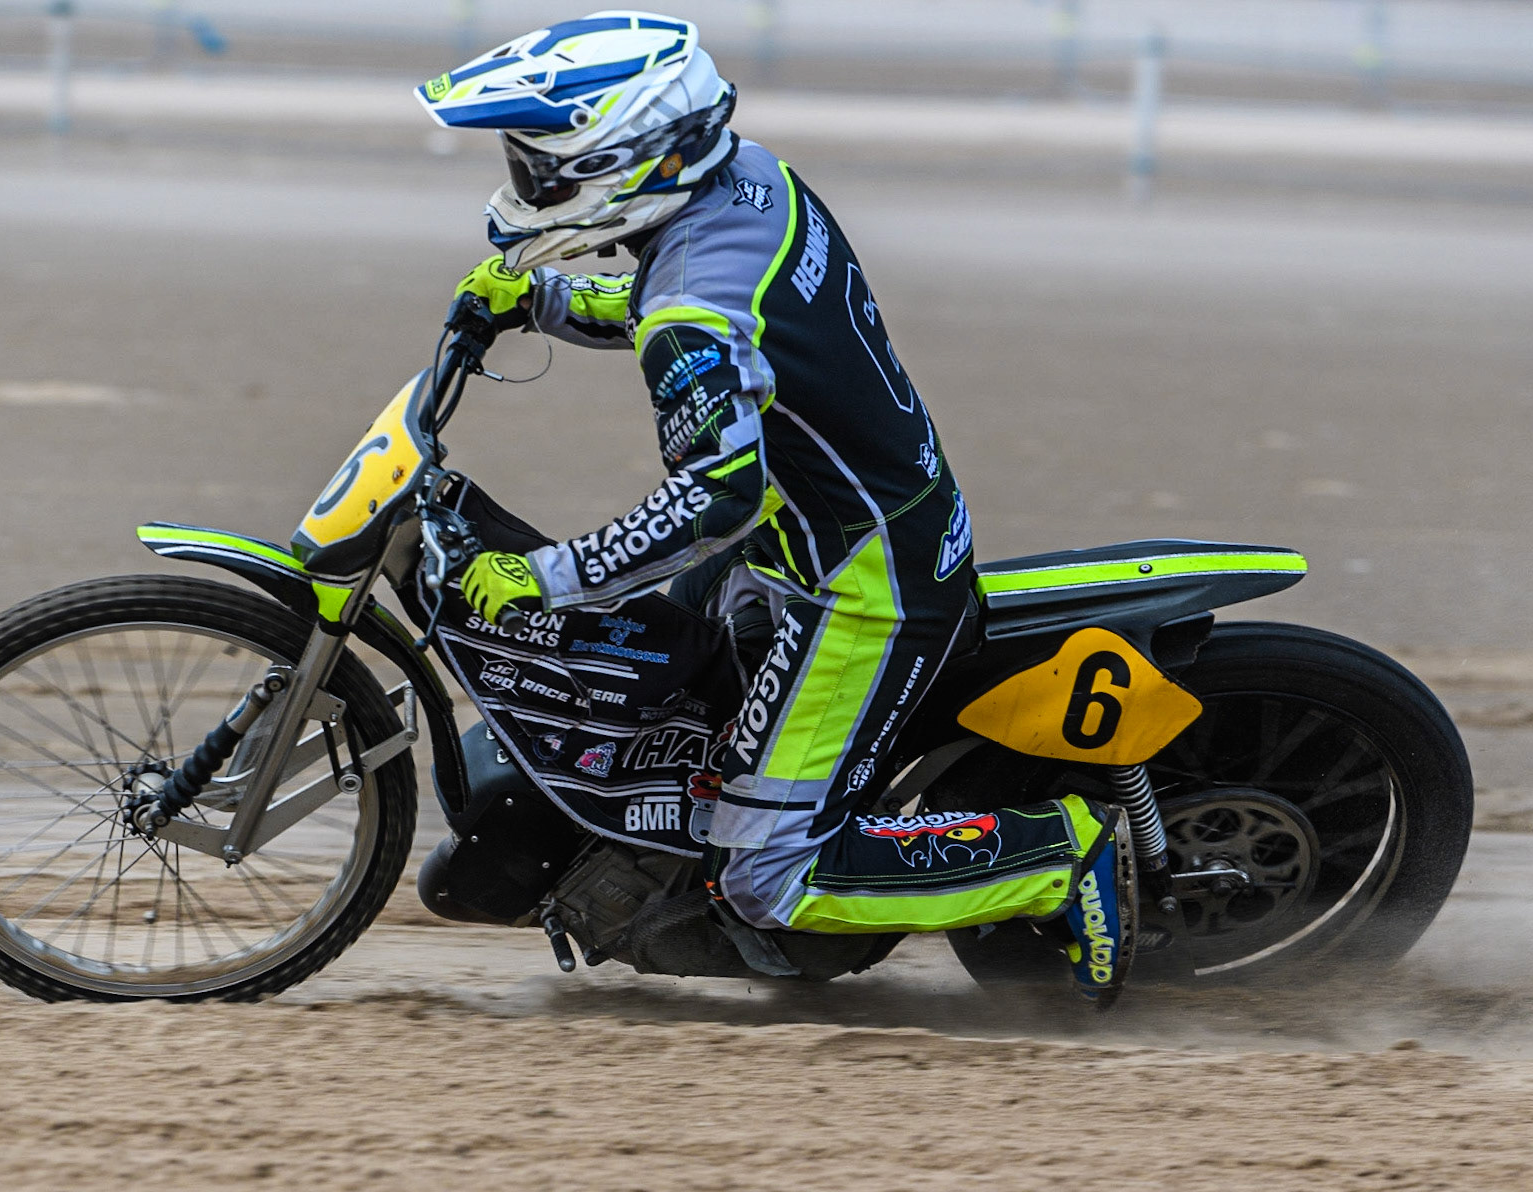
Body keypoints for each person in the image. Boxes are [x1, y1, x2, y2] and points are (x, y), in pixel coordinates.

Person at [417, 10, 1137, 1004]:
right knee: (673, 681)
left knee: (766, 875)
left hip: (858, 586)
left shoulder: (687, 315)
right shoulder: (749, 176)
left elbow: (716, 497)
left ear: (623, 161)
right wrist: (543, 302)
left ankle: (1055, 854)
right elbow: (720, 315)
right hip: (853, 523)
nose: (526, 187)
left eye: (542, 169)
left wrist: (542, 576)